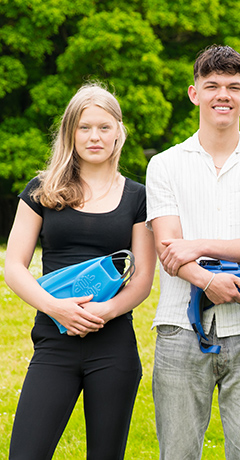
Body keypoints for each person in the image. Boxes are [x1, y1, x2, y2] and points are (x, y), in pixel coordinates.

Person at [146, 45, 240, 459]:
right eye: (212, 86)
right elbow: (168, 248)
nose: (222, 95)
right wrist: (208, 280)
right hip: (179, 330)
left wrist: (202, 245)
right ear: (194, 93)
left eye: (233, 86)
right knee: (177, 454)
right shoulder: (165, 165)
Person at [5, 82, 156, 460]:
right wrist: (57, 309)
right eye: (84, 127)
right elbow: (13, 266)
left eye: (104, 127)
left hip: (113, 346)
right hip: (55, 343)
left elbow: (141, 280)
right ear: (70, 132)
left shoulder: (138, 196)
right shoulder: (42, 189)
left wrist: (102, 312)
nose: (94, 137)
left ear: (118, 132)